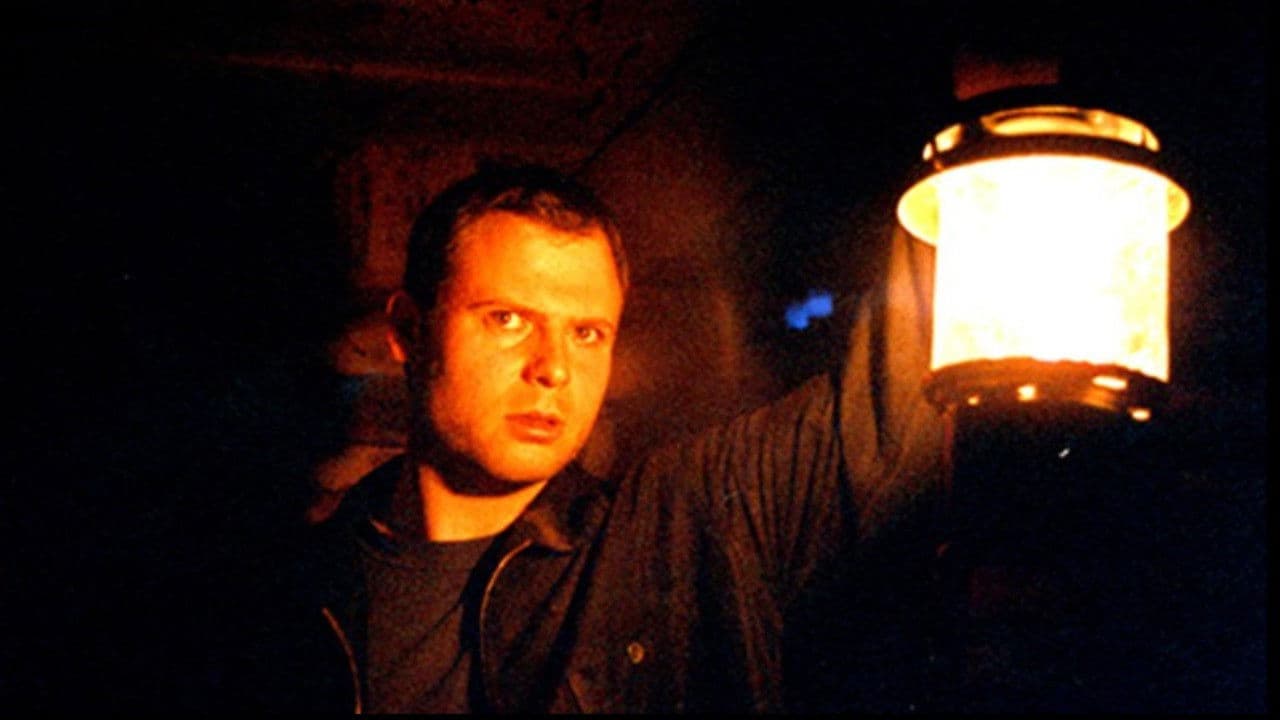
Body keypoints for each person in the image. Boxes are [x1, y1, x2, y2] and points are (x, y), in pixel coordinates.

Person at [224, 162, 949, 713]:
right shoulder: (282, 597)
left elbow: (890, 408)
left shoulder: (677, 533)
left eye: (587, 333)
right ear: (410, 331)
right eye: (508, 319)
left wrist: (971, 157)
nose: (553, 369)